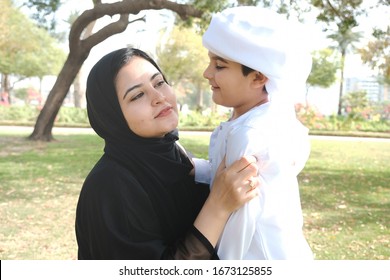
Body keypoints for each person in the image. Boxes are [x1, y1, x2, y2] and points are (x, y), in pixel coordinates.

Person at [75, 47, 259, 260]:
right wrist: (217, 206)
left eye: (159, 82)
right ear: (112, 116)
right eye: (137, 95)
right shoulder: (110, 186)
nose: (158, 97)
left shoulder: (176, 157)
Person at [195, 6, 314, 259]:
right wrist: (195, 168)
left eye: (220, 65)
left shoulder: (250, 134)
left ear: (258, 78)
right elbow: (224, 174)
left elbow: (241, 219)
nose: (207, 73)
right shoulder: (257, 119)